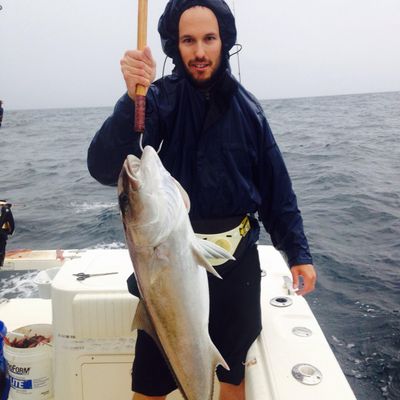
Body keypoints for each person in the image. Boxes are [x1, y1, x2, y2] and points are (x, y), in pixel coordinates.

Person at [87, 1, 317, 399]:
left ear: (224, 40)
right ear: (174, 45)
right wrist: (129, 101)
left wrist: (297, 251)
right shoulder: (156, 100)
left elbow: (276, 189)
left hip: (236, 262)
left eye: (209, 39)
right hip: (168, 262)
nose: (199, 51)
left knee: (231, 378)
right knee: (149, 386)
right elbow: (105, 168)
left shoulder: (249, 111)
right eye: (188, 40)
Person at [0, 201, 14, 267]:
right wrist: (10, 232)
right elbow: (11, 223)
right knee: (1, 249)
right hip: (2, 232)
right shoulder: (6, 209)